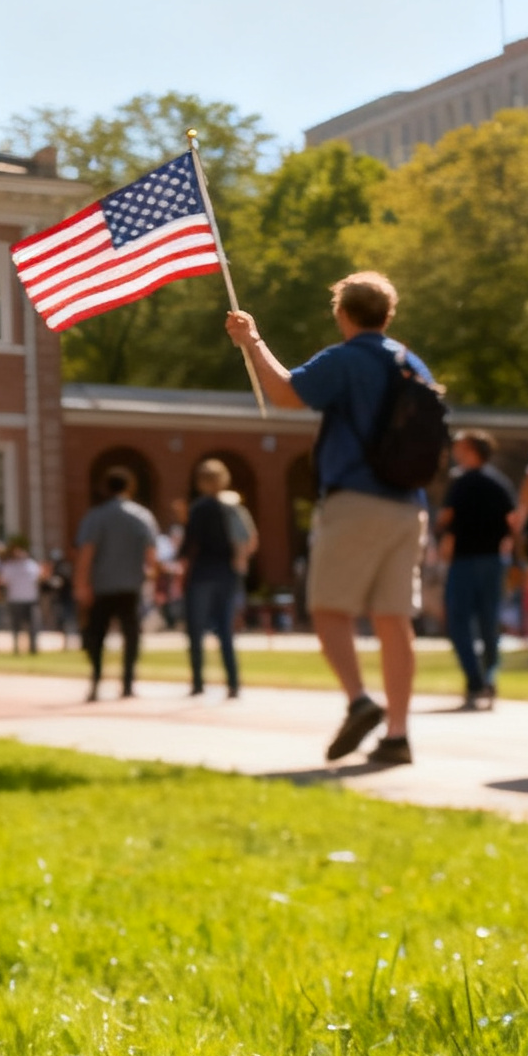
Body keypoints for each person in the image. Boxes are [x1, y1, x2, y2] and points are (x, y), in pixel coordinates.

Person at [226, 271, 434, 767]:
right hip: (409, 505)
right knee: (394, 620)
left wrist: (252, 341)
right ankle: (399, 735)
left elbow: (287, 393)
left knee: (326, 608)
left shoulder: (346, 359)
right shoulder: (413, 363)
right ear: (389, 314)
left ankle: (361, 702)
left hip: (355, 499)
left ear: (343, 314)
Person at [440, 429, 515, 710]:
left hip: (465, 561)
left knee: (459, 622)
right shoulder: (500, 483)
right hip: (494, 561)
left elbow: (448, 518)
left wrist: (442, 537)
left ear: (471, 449)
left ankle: (474, 680)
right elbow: (512, 522)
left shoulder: (460, 482)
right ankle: (490, 676)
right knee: (489, 622)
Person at [74, 468, 159, 698]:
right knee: (131, 635)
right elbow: (152, 558)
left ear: (106, 488)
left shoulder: (95, 517)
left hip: (102, 586)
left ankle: (96, 681)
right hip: (131, 586)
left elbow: (86, 553)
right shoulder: (142, 516)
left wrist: (81, 585)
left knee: (96, 635)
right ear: (129, 487)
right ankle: (128, 683)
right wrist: (152, 580)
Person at [180, 459, 253, 697]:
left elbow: (189, 544)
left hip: (202, 573)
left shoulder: (198, 508)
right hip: (227, 574)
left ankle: (198, 683)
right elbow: (250, 540)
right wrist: (239, 561)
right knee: (225, 630)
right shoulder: (233, 508)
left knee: (196, 630)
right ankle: (233, 683)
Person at [0, 539, 42, 654]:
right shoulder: (9, 566)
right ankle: (16, 648)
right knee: (15, 626)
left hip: (30, 599)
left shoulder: (32, 565)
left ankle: (33, 648)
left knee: (33, 626)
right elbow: (2, 581)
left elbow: (39, 579)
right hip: (14, 600)